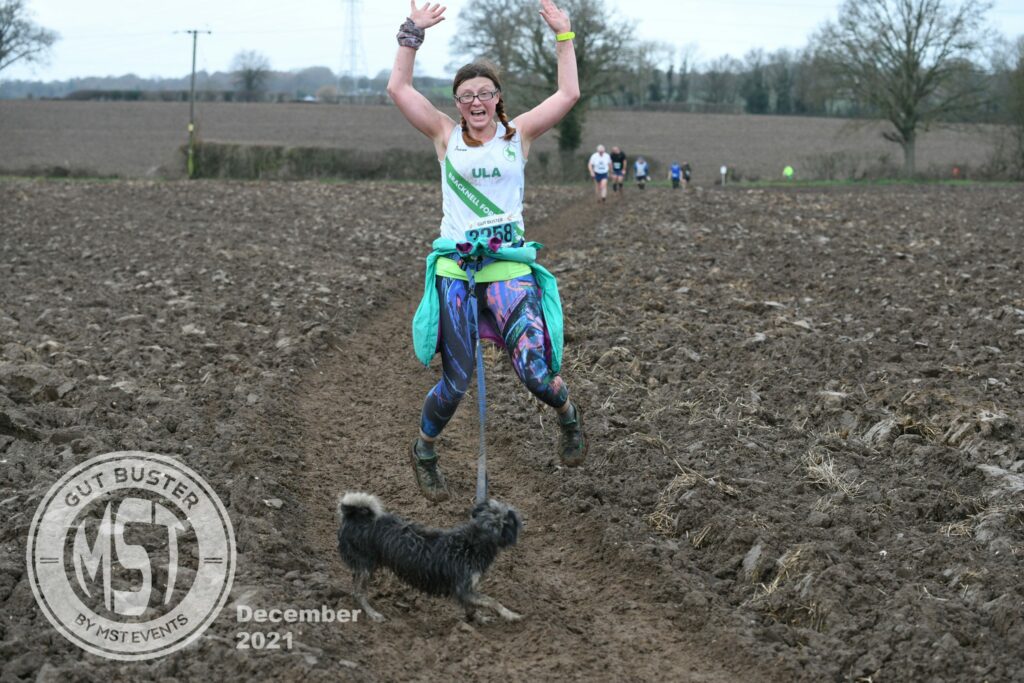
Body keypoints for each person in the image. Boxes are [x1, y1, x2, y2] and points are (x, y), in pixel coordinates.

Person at [388, 0, 587, 503]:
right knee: (455, 384)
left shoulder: (517, 135)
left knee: (536, 374)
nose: (474, 102)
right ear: (456, 104)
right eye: (464, 95)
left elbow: (568, 93)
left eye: (483, 93)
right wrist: (412, 32)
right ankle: (425, 450)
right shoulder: (444, 136)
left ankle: (567, 415)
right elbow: (399, 89)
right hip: (457, 270)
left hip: (507, 269)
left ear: (498, 99)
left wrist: (564, 36)